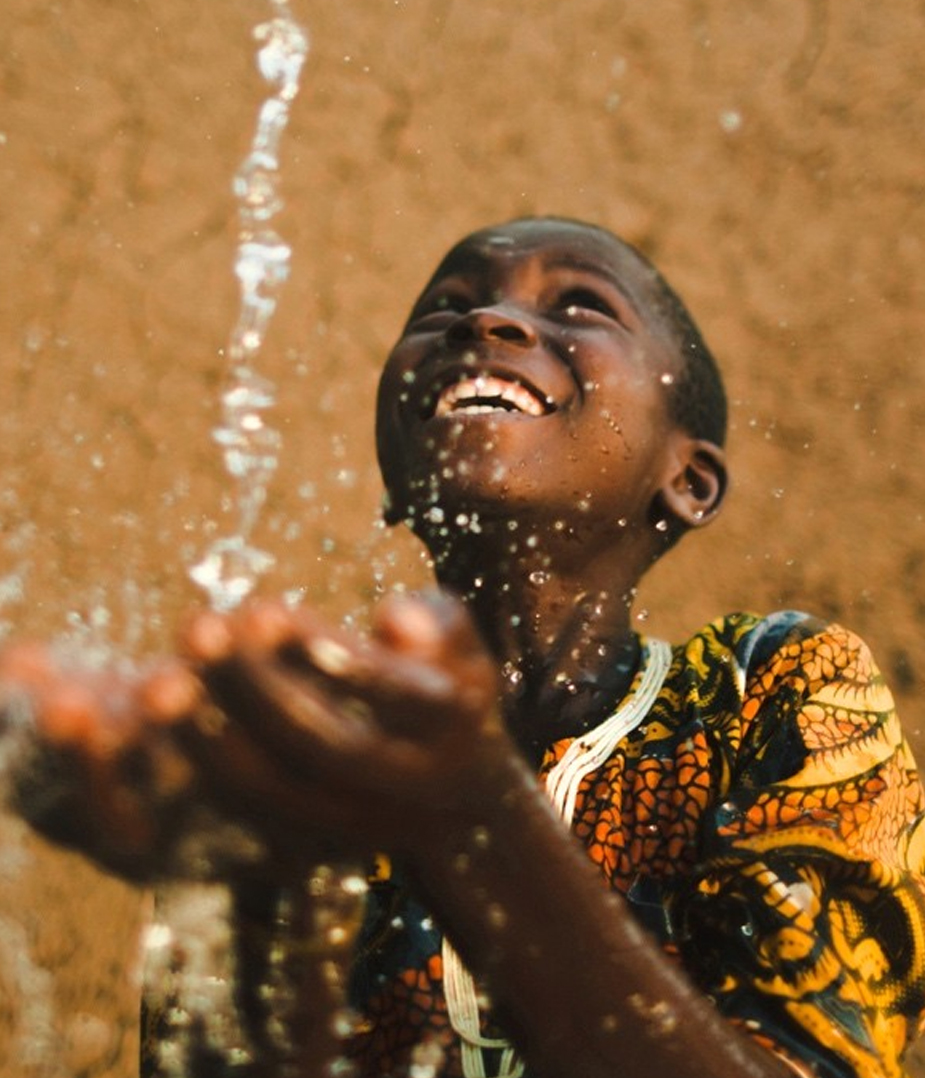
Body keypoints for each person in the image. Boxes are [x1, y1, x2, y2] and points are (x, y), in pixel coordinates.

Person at [2, 216, 925, 1078]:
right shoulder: (304, 753)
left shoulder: (769, 692)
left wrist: (465, 815)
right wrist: (235, 886)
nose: (485, 318)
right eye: (444, 308)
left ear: (687, 479)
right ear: (392, 477)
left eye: (580, 305)